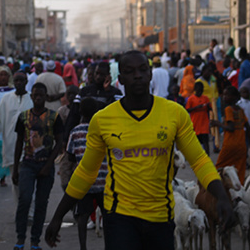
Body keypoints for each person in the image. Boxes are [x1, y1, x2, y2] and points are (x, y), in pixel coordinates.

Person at [46, 51, 233, 250]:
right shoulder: (103, 119)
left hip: (161, 216)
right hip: (120, 218)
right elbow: (85, 172)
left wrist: (221, 196)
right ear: (120, 79)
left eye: (143, 70)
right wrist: (58, 216)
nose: (137, 75)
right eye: (130, 71)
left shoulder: (174, 114)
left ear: (150, 73)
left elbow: (199, 161)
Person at [13, 83, 65, 250]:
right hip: (27, 164)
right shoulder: (23, 117)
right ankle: (20, 239)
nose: (38, 98)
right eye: (35, 95)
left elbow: (59, 143)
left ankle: (35, 241)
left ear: (45, 96)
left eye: (41, 95)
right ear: (31, 96)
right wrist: (15, 168)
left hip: (46, 166)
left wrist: (49, 164)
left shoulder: (54, 117)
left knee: (42, 203)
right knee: (25, 200)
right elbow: (19, 142)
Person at [66, 98, 107, 250]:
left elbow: (70, 156)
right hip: (103, 180)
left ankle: (83, 247)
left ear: (80, 112)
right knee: (107, 216)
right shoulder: (102, 129)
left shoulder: (75, 132)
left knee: (82, 216)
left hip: (84, 182)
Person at [0, 72, 34, 189]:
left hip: (30, 147)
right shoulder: (6, 99)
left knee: (28, 181)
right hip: (11, 145)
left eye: (21, 80)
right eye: (16, 80)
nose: (18, 83)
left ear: (26, 82)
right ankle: (20, 206)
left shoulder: (32, 98)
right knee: (16, 181)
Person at [212, 86, 250, 183]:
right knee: (239, 170)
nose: (224, 97)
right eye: (224, 95)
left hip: (230, 144)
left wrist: (217, 123)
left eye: (227, 95)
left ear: (234, 97)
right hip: (241, 145)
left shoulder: (228, 109)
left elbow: (231, 128)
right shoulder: (240, 110)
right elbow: (248, 128)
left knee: (219, 167)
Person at [186, 81, 212, 154]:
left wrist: (208, 106)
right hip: (195, 122)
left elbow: (210, 109)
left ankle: (207, 156)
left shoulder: (205, 98)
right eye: (198, 90)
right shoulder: (191, 99)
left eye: (201, 90)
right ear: (195, 90)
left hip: (204, 122)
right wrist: (196, 107)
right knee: (196, 141)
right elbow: (187, 109)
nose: (200, 92)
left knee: (205, 140)